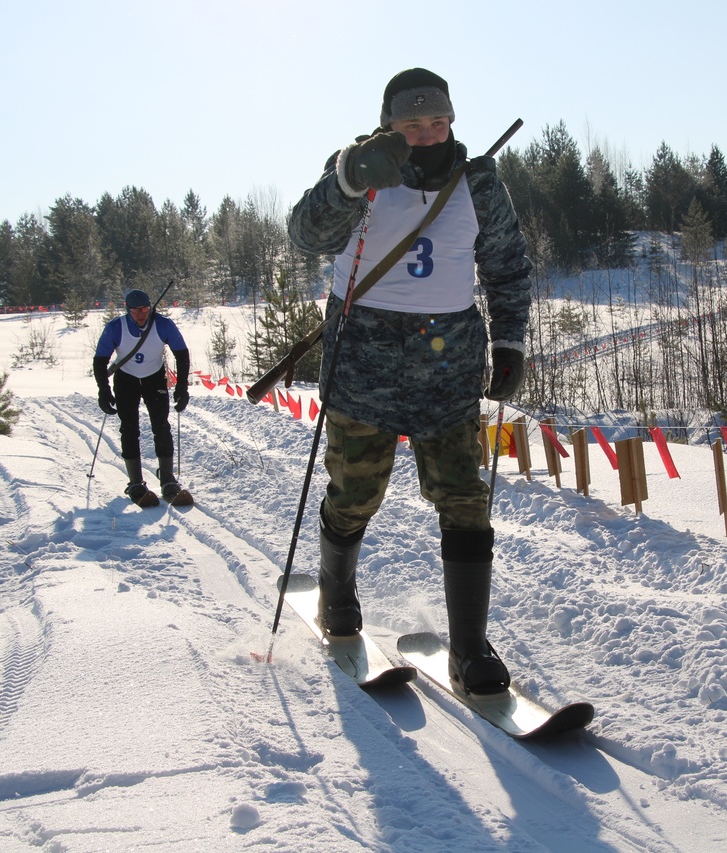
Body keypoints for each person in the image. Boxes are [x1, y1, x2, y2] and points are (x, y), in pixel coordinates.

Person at [287, 68, 532, 695]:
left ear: (452, 121)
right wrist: (350, 177)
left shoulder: (478, 183)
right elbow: (305, 236)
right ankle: (336, 597)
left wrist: (508, 342)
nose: (426, 134)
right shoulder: (358, 171)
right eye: (411, 123)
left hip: (446, 368)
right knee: (354, 494)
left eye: (438, 121)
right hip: (363, 362)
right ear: (388, 124)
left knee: (463, 499)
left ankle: (470, 648)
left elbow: (507, 268)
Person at [92, 289, 191, 506]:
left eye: (145, 309)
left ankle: (167, 479)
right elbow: (100, 359)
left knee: (161, 426)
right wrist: (103, 390)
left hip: (154, 379)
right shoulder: (116, 328)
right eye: (136, 310)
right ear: (127, 309)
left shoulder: (163, 325)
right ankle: (135, 482)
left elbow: (182, 353)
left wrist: (182, 387)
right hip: (126, 380)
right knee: (129, 428)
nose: (141, 314)